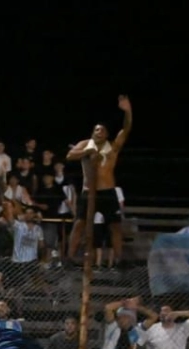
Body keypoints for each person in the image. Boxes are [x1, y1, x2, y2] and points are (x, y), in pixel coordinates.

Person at [67, 95, 132, 265]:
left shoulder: (112, 147)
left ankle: (118, 259)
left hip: (107, 191)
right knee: (79, 224)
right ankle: (70, 257)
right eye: (97, 130)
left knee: (115, 226)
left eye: (102, 130)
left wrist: (128, 111)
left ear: (106, 134)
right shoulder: (85, 144)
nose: (99, 132)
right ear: (92, 132)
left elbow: (126, 129)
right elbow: (70, 155)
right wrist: (86, 153)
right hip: (88, 191)